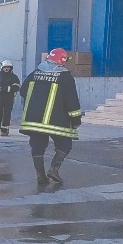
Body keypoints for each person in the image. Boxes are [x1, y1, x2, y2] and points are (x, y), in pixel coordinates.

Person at [19, 48, 82, 185]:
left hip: (34, 121)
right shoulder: (65, 77)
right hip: (57, 121)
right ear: (62, 61)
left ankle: (41, 175)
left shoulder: (34, 73)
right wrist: (76, 119)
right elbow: (71, 101)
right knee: (65, 144)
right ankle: (53, 170)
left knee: (37, 146)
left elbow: (23, 91)